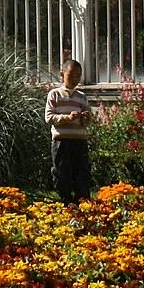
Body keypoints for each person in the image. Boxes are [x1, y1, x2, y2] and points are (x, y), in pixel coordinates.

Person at [46, 58, 94, 200]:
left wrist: (85, 118)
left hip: (79, 141)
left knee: (82, 174)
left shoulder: (81, 97)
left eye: (78, 76)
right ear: (62, 75)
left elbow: (86, 122)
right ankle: (65, 202)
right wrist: (67, 118)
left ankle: (83, 203)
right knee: (62, 174)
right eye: (71, 75)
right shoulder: (54, 94)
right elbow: (49, 117)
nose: (75, 79)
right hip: (62, 142)